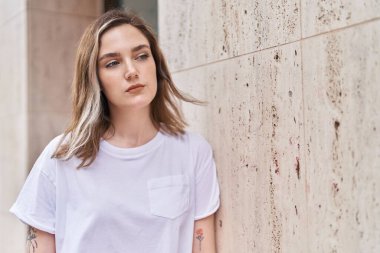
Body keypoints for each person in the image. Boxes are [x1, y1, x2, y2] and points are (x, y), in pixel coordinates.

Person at [10, 9, 220, 253]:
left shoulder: (193, 152)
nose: (132, 71)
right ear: (95, 79)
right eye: (112, 63)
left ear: (156, 64)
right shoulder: (62, 156)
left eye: (141, 56)